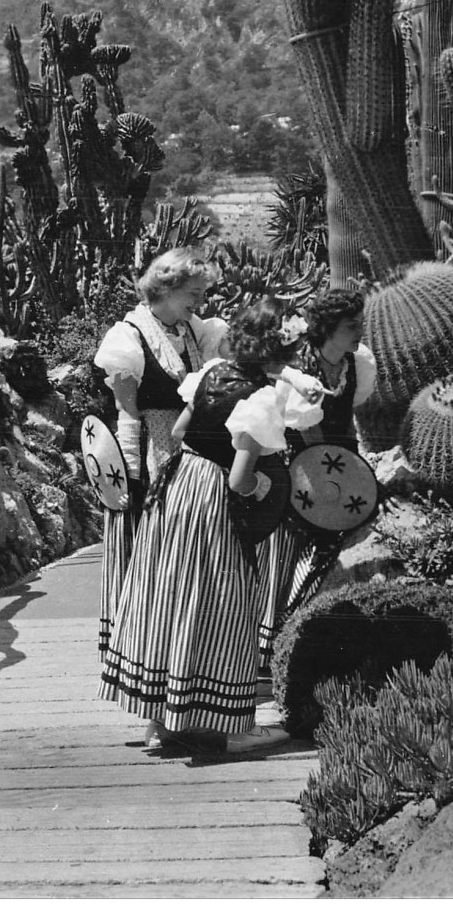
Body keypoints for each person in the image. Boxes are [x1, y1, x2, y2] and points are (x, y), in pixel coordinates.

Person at [98, 298, 324, 755]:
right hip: (215, 502)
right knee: (223, 601)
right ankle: (232, 726)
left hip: (179, 487)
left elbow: (180, 432)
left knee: (171, 597)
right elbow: (241, 478)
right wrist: (266, 484)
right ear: (280, 351)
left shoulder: (212, 372)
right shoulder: (259, 400)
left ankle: (162, 720)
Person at [93, 247, 226, 658]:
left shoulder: (192, 331)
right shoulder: (130, 338)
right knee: (151, 541)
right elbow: (126, 411)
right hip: (153, 448)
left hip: (189, 449)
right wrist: (132, 471)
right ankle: (141, 638)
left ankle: (181, 637)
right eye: (194, 292)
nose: (200, 301)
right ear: (167, 289)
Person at [258, 288, 377, 667]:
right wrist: (336, 478)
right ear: (326, 329)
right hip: (304, 471)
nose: (359, 331)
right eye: (350, 326)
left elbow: (350, 421)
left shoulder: (357, 363)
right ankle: (276, 646)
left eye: (360, 323)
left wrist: (358, 471)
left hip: (340, 464)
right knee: (300, 555)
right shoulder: (301, 373)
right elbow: (311, 440)